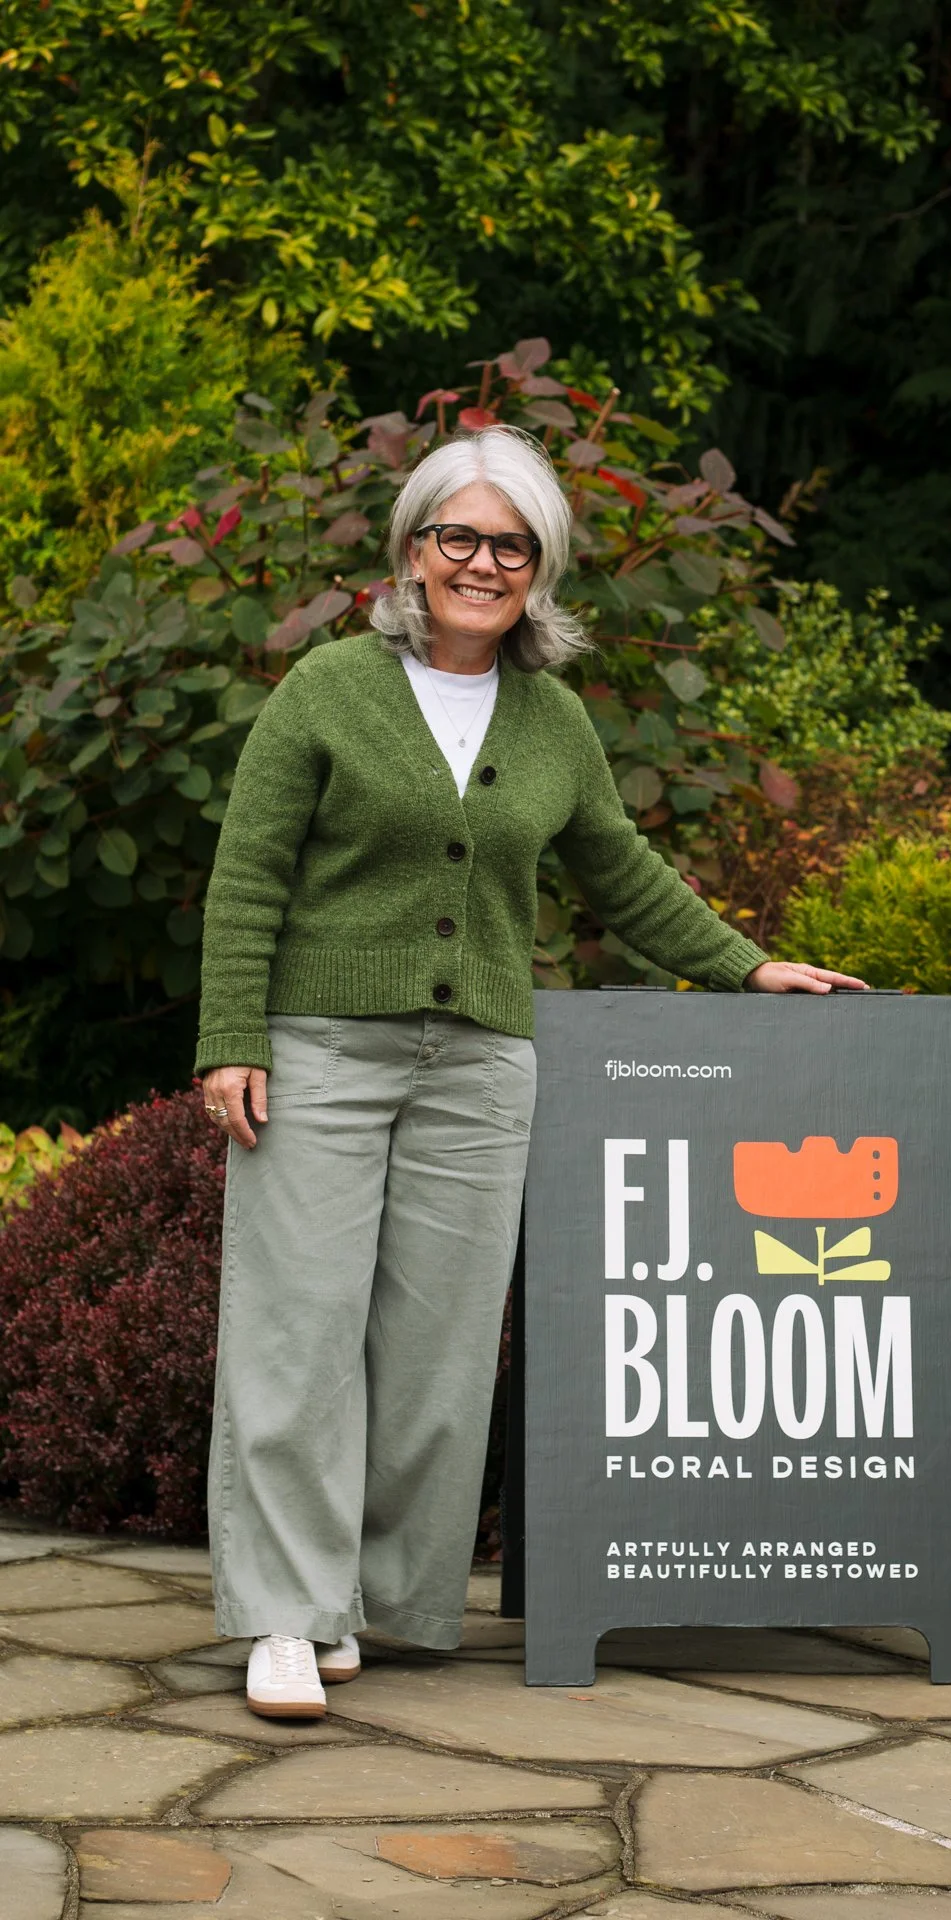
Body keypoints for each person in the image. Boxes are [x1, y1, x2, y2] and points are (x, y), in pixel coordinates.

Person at [197, 425, 865, 1719]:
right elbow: (248, 873)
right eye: (458, 535)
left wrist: (746, 967)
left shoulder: (552, 716)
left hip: (484, 1066)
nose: (481, 561)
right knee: (300, 1331)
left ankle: (377, 1603)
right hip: (323, 1050)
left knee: (439, 1351)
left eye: (510, 544)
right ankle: (285, 1614)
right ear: (411, 549)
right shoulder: (330, 688)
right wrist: (232, 1037)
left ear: (540, 568)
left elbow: (618, 871)